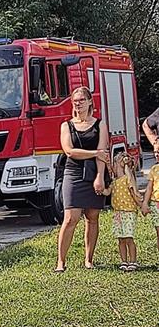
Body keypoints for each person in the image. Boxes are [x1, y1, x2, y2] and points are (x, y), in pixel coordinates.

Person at [55, 86, 110, 272]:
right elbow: (69, 151)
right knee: (70, 218)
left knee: (92, 217)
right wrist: (94, 153)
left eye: (81, 100)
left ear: (89, 102)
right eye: (75, 101)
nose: (78, 103)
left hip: (94, 172)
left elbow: (103, 154)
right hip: (73, 173)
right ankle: (61, 262)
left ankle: (89, 259)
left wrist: (100, 177)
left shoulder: (100, 125)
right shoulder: (66, 126)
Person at [102, 152, 143, 271]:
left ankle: (133, 261)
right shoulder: (114, 182)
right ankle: (124, 261)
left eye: (114, 164)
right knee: (121, 238)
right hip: (118, 213)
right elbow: (107, 192)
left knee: (129, 237)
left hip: (129, 212)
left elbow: (133, 191)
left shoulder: (127, 179)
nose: (113, 167)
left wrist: (141, 205)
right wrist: (99, 188)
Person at [141, 144, 159, 267]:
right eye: (155, 151)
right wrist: (144, 203)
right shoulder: (154, 169)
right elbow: (149, 188)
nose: (156, 154)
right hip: (156, 204)